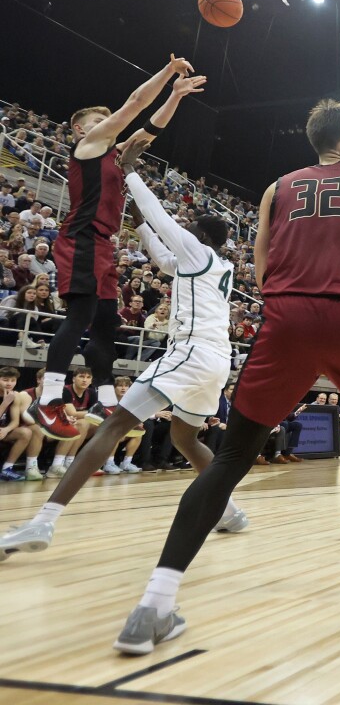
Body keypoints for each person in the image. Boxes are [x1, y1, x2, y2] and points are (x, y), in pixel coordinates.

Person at [110, 100, 340, 656]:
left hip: (285, 318)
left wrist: (291, 303)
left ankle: (154, 605)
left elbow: (259, 260)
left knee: (231, 458)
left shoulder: (276, 188)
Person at [0, 144, 246, 563]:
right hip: (216, 361)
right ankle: (229, 510)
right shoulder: (217, 267)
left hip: (189, 353)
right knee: (186, 437)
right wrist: (138, 226)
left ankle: (44, 520)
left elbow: (164, 222)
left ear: (200, 237)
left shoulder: (198, 251)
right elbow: (164, 258)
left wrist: (130, 173)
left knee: (112, 426)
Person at [32, 56, 202, 441]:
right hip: (82, 237)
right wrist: (168, 72)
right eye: (97, 121)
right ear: (80, 129)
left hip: (104, 244)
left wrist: (175, 96)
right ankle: (49, 399)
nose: (106, 125)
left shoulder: (113, 153)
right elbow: (135, 106)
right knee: (80, 316)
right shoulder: (89, 146)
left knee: (107, 322)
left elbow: (148, 129)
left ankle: (104, 399)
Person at [0, 366, 43, 481]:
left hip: (3, 431)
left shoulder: (16, 395)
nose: (9, 383)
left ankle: (7, 469)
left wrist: (6, 429)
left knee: (26, 432)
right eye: (5, 380)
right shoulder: (8, 398)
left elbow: (15, 422)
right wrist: (4, 404)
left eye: (13, 380)